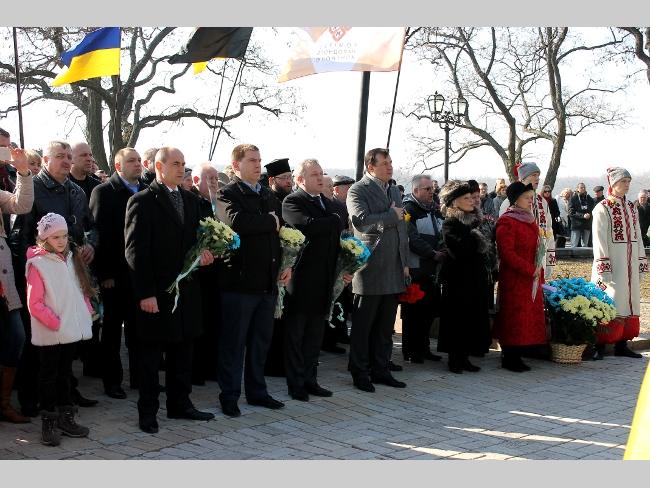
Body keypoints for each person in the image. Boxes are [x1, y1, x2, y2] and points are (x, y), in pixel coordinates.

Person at [124, 146, 215, 434]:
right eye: (175, 163)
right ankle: (148, 411)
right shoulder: (142, 201)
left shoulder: (190, 199)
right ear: (159, 167)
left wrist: (204, 254)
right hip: (157, 292)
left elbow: (196, 241)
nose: (181, 169)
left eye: (183, 164)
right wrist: (145, 293)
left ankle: (180, 404)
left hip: (186, 290)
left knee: (183, 350)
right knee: (151, 357)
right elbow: (135, 252)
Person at [10, 140, 98, 416]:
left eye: (69, 156)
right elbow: (20, 236)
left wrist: (91, 244)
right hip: (42, 275)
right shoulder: (33, 188)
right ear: (46, 159)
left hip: (70, 272)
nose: (67, 161)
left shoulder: (77, 191)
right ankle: (30, 398)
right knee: (37, 341)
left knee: (67, 339)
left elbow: (90, 227)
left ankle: (66, 392)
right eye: (60, 156)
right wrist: (33, 268)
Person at [216, 144, 290, 417]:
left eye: (259, 160)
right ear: (236, 165)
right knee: (234, 345)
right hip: (240, 283)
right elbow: (236, 222)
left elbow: (281, 230)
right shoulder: (227, 193)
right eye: (251, 160)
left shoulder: (268, 196)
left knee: (260, 342)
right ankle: (229, 396)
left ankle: (257, 392)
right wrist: (269, 222)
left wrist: (287, 264)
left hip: (267, 282)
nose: (258, 165)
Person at [26, 213, 95, 446]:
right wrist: (56, 323)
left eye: (64, 236)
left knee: (65, 374)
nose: (61, 241)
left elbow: (79, 290)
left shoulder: (71, 259)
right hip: (51, 332)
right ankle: (48, 421)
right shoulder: (37, 264)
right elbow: (34, 303)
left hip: (69, 331)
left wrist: (86, 311)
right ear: (44, 238)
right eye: (55, 237)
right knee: (49, 376)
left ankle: (66, 418)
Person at [281, 159, 347, 401]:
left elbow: (336, 231)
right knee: (296, 335)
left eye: (321, 174)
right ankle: (296, 383)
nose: (320, 178)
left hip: (325, 277)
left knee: (314, 335)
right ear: (300, 180)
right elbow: (307, 226)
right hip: (301, 279)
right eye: (314, 175)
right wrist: (332, 221)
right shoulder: (293, 201)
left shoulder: (329, 203)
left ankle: (311, 379)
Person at [346, 148, 409, 392]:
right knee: (363, 327)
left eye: (390, 162)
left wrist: (404, 262)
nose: (389, 167)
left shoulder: (393, 189)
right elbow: (360, 221)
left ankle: (381, 369)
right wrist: (391, 215)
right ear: (370, 167)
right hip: (370, 267)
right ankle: (360, 371)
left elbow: (402, 228)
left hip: (393, 266)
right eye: (384, 163)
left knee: (385, 327)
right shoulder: (358, 190)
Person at [89, 147, 147, 398]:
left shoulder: (146, 190)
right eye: (131, 161)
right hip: (115, 275)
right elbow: (100, 235)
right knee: (113, 331)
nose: (137, 164)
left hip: (139, 274)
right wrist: (105, 274)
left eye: (139, 160)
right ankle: (112, 381)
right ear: (118, 166)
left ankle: (139, 378)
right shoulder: (103, 192)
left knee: (138, 329)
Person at [591, 167, 648, 360]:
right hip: (612, 265)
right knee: (608, 300)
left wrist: (641, 260)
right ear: (613, 183)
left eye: (629, 181)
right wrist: (603, 264)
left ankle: (622, 344)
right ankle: (599, 345)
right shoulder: (602, 208)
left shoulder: (631, 207)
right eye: (623, 181)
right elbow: (599, 239)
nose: (627, 184)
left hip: (630, 264)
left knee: (628, 301)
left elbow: (638, 235)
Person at [437, 180, 492, 373]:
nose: (471, 201)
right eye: (466, 198)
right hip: (458, 280)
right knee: (457, 319)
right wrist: (475, 237)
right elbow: (460, 249)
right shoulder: (450, 223)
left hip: (475, 278)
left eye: (472, 197)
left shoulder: (475, 221)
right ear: (455, 202)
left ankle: (466, 356)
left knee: (471, 318)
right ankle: (454, 358)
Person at [494, 182, 548, 372]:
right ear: (516, 199)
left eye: (531, 197)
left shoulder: (529, 219)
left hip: (530, 277)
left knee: (526, 318)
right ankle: (510, 356)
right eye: (527, 197)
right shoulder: (507, 221)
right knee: (514, 317)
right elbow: (507, 253)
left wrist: (537, 270)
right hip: (515, 278)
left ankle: (522, 352)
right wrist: (528, 269)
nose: (531, 201)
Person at [0, 147, 33, 424]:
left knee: (16, 337)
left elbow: (22, 205)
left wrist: (23, 171)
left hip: (4, 284)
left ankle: (4, 403)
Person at [401, 174, 444, 364]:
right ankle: (411, 350)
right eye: (427, 189)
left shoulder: (434, 209)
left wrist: (442, 249)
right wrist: (433, 253)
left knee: (428, 312)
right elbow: (412, 238)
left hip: (432, 270)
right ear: (416, 190)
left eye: (432, 189)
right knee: (413, 314)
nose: (431, 192)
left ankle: (424, 348)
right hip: (416, 269)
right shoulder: (409, 209)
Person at [189, 162, 222, 385]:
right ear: (196, 181)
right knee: (198, 322)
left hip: (217, 273)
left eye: (216, 179)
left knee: (214, 321)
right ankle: (196, 370)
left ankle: (211, 367)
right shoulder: (191, 203)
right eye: (209, 178)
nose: (214, 183)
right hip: (197, 273)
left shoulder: (220, 204)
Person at [498, 162, 555, 280]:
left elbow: (548, 229)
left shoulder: (542, 201)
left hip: (540, 259)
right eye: (533, 175)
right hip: (519, 262)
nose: (537, 178)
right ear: (523, 178)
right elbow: (505, 242)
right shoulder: (509, 202)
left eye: (538, 175)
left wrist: (550, 261)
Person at [321, 174, 356, 353]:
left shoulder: (344, 207)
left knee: (341, 300)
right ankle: (328, 340)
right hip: (329, 261)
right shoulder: (328, 206)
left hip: (342, 260)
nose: (351, 191)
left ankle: (339, 334)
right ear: (336, 189)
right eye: (347, 188)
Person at [568, 182, 595, 248]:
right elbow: (571, 212)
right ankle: (573, 254)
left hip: (587, 224)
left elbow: (593, 210)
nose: (583, 189)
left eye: (584, 187)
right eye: (581, 187)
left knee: (585, 245)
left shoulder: (589, 199)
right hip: (576, 225)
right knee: (574, 245)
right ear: (577, 189)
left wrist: (589, 215)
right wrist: (583, 216)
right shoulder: (573, 199)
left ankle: (584, 255)